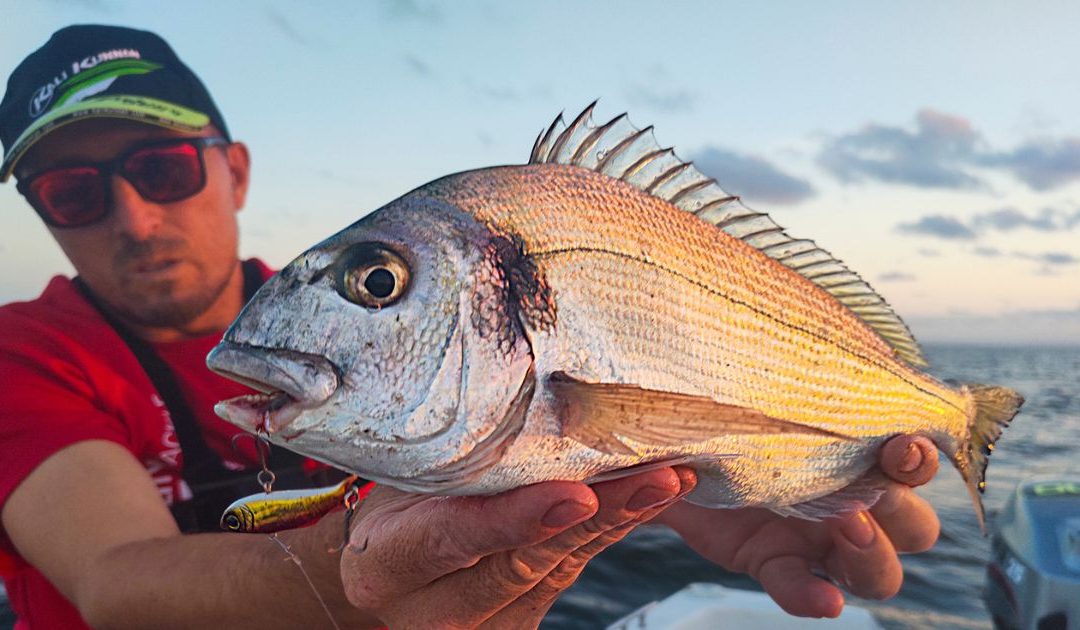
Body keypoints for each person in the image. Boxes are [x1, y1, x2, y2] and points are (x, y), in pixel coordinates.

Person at [0, 24, 942, 629]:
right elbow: (116, 581)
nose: (134, 218)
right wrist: (388, 563)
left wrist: (684, 483)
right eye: (71, 191)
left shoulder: (305, 319)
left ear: (235, 171)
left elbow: (574, 403)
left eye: (163, 169)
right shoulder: (25, 356)